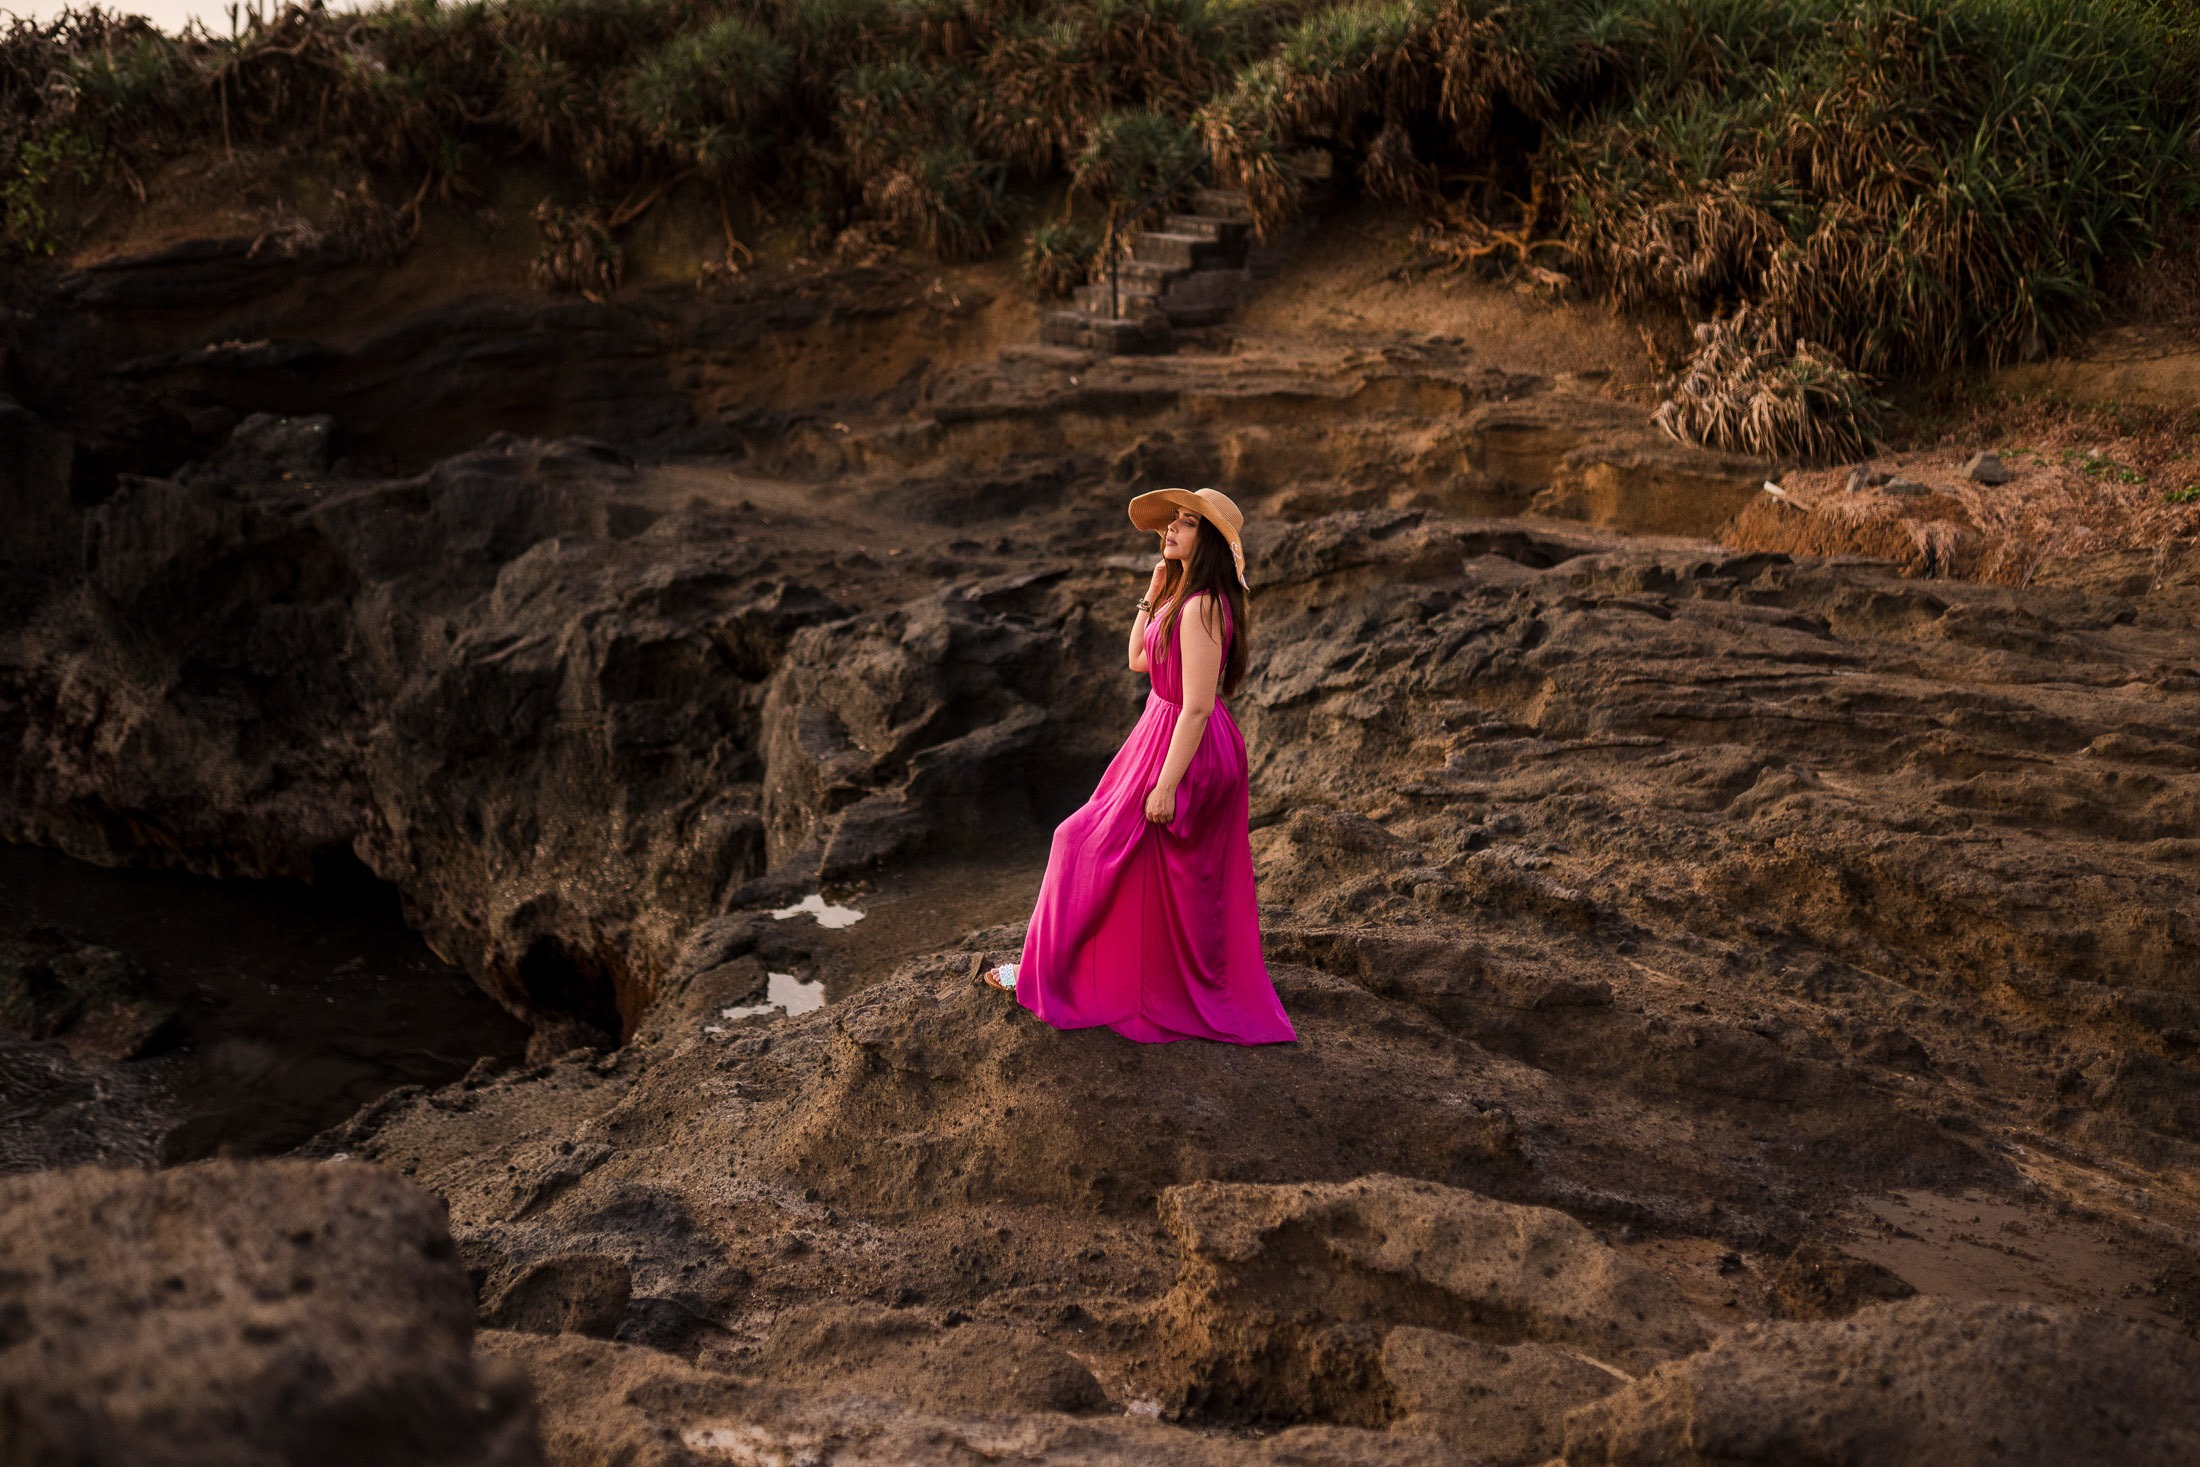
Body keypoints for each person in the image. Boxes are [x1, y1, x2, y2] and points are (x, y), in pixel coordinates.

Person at [976, 487, 1295, 1045]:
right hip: (1160, 731)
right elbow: (1138, 661)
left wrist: (1167, 784)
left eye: (1187, 523)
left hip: (1183, 743)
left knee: (1078, 842)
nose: (1170, 529)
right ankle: (1101, 975)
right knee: (1133, 864)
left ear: (1211, 540)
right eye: (1172, 521)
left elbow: (1196, 704)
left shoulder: (1202, 606)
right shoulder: (1184, 598)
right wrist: (1151, 596)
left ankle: (1049, 977)